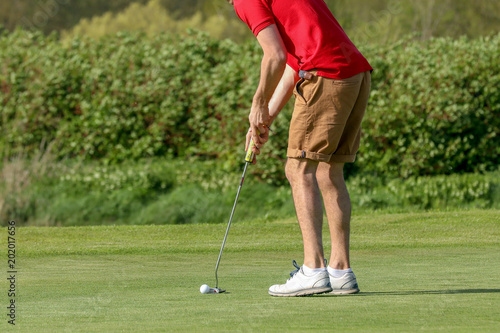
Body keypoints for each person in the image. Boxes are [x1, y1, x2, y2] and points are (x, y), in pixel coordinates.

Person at [227, 0, 372, 296]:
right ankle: (340, 271)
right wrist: (265, 117)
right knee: (328, 172)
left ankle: (314, 269)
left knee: (297, 169)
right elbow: (294, 62)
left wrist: (256, 104)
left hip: (325, 76)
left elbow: (275, 56)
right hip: (355, 75)